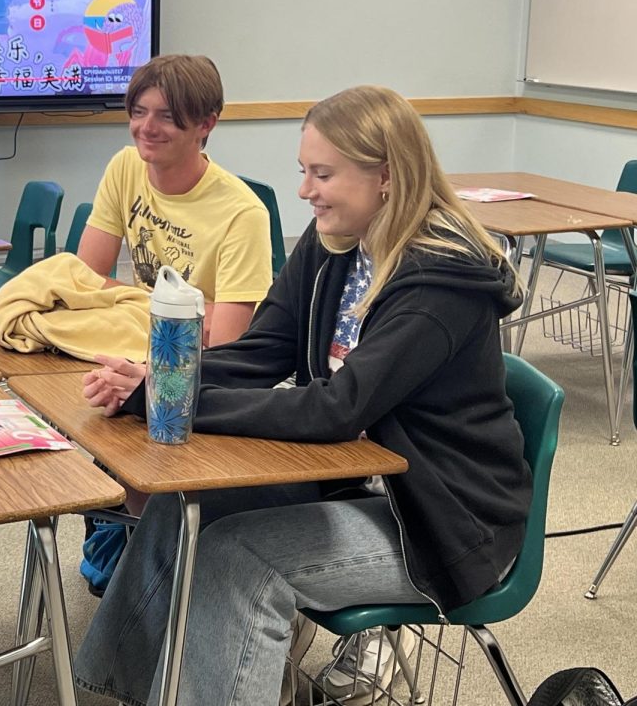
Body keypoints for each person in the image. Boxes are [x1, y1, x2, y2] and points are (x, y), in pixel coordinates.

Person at [75, 85, 531, 706]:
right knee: (180, 506)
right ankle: (119, 689)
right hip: (356, 479)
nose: (304, 190)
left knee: (240, 560)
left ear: (387, 178)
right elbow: (264, 351)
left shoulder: (440, 282)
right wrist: (164, 382)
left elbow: (338, 408)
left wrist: (173, 404)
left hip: (439, 517)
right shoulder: (333, 242)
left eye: (323, 174)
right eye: (304, 171)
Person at [76, 53, 272, 349]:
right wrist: (188, 312)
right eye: (139, 112)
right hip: (141, 344)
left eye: (166, 117)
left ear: (206, 125)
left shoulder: (244, 214)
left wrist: (127, 301)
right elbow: (84, 280)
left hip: (196, 367)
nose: (147, 128)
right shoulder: (125, 166)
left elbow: (224, 346)